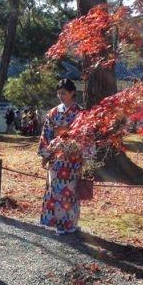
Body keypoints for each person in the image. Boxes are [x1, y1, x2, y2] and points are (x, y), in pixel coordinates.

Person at [38, 78, 84, 235]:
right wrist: (45, 155)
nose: (61, 96)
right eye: (59, 93)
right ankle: (56, 222)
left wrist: (84, 156)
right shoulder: (53, 112)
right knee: (55, 190)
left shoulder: (80, 112)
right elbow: (47, 134)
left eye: (64, 93)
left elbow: (85, 135)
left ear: (72, 93)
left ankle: (70, 223)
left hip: (73, 158)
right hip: (56, 158)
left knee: (70, 192)